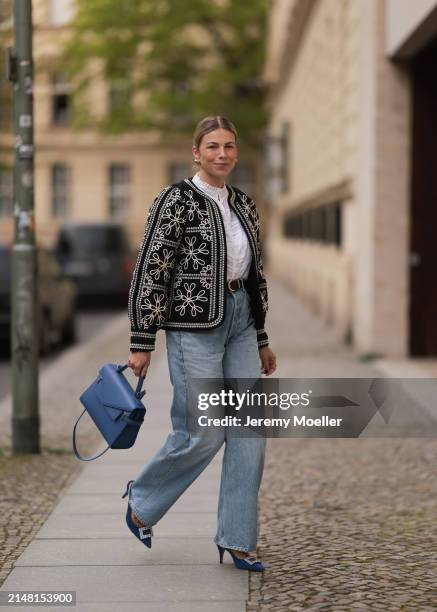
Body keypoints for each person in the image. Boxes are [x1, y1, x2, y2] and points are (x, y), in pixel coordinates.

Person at [124, 115, 277, 572]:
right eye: (212, 146)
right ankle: (142, 502)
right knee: (202, 431)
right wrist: (142, 339)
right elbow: (152, 269)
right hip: (194, 327)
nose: (222, 154)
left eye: (229, 146)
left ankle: (238, 538)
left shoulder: (245, 205)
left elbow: (255, 277)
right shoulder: (175, 201)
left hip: (242, 324)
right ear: (196, 152)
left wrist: (263, 337)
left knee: (250, 433)